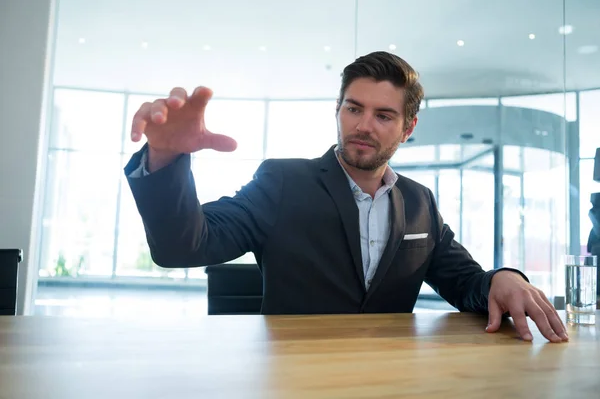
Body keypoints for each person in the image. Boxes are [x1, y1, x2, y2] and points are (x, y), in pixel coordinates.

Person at [125, 51, 568, 343]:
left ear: (407, 128)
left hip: (390, 382)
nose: (363, 125)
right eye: (354, 108)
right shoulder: (281, 182)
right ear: (338, 110)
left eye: (383, 115)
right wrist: (164, 158)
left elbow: (465, 284)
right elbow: (183, 246)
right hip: (297, 382)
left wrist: (503, 278)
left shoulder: (419, 203)